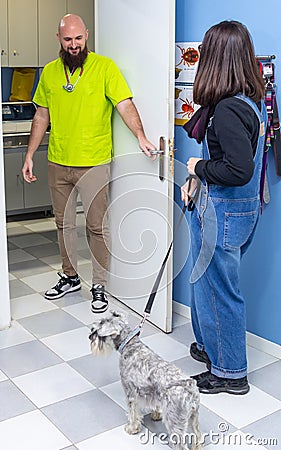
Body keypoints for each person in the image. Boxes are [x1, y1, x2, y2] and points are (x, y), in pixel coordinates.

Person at [22, 14, 155, 313]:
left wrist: (140, 136)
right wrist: (30, 154)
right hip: (57, 160)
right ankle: (69, 276)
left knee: (97, 227)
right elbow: (41, 115)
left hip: (94, 162)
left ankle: (99, 285)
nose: (73, 45)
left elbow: (124, 104)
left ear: (87, 36)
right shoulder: (50, 72)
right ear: (58, 39)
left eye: (78, 39)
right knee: (63, 225)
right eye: (68, 40)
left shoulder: (104, 67)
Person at [181, 20, 267, 394]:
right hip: (239, 210)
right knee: (208, 282)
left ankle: (230, 371)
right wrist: (198, 180)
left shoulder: (229, 109)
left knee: (219, 290)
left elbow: (236, 168)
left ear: (214, 58)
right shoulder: (249, 100)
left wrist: (196, 167)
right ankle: (210, 348)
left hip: (224, 213)